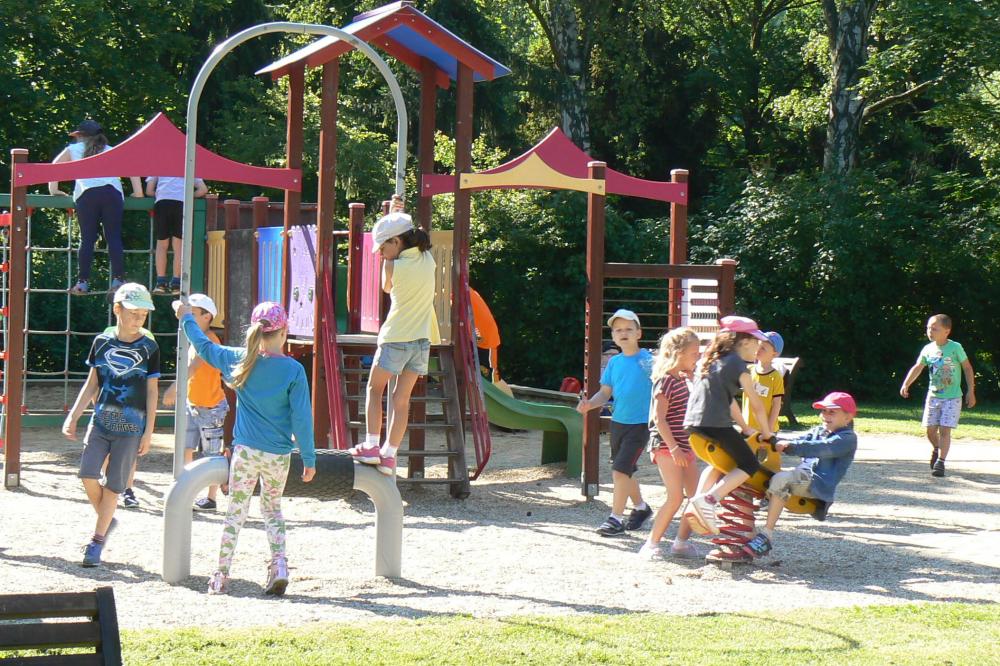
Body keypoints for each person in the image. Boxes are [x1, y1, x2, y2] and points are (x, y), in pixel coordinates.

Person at [177, 300, 316, 595]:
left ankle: (220, 575)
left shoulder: (239, 359)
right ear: (284, 332)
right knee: (272, 509)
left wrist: (187, 318)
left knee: (235, 512)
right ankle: (279, 565)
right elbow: (302, 417)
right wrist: (309, 457)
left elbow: (203, 346)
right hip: (278, 454)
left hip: (246, 452)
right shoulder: (293, 370)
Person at [61, 283, 159, 567]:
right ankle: (107, 518)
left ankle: (96, 542)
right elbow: (92, 382)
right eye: (133, 313)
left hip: (131, 428)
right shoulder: (102, 342)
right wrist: (74, 415)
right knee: (87, 474)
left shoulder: (149, 347)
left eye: (143, 314)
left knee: (115, 487)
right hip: (101, 422)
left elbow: (152, 390)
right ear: (117, 309)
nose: (138, 319)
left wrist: (149, 431)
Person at [349, 196, 440, 477]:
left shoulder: (392, 267)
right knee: (401, 400)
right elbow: (408, 232)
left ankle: (371, 445)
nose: (381, 252)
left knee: (374, 390)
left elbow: (387, 289)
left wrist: (395, 216)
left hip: (395, 337)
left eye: (383, 246)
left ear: (397, 241)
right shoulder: (428, 259)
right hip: (421, 341)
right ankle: (389, 455)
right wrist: (397, 213)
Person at [682, 315, 774, 536]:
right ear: (744, 341)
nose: (758, 348)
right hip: (715, 423)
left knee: (720, 463)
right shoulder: (738, 365)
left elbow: (730, 402)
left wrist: (746, 428)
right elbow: (757, 404)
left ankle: (698, 502)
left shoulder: (713, 360)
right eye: (756, 342)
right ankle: (709, 500)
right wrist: (767, 433)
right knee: (749, 464)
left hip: (693, 423)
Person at [743, 392, 858, 558]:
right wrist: (771, 439)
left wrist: (790, 446)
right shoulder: (819, 431)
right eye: (823, 411)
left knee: (781, 479)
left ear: (848, 417)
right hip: (802, 477)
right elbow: (798, 439)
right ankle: (750, 529)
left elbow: (819, 447)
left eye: (832, 412)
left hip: (817, 484)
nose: (825, 415)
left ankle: (766, 535)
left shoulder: (847, 439)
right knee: (753, 476)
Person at [577, 309, 654, 536]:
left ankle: (615, 519)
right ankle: (641, 508)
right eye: (618, 330)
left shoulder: (649, 361)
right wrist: (589, 404)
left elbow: (663, 386)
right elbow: (605, 393)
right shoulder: (614, 362)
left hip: (640, 425)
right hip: (618, 423)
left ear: (639, 333)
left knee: (620, 471)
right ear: (613, 336)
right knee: (625, 471)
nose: (623, 333)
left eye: (629, 329)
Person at [48, 120, 144, 295]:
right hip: (112, 194)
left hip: (87, 195)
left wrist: (54, 190)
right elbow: (132, 168)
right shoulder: (111, 150)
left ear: (80, 136)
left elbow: (55, 166)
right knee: (113, 237)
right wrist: (138, 193)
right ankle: (118, 280)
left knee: (87, 239)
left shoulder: (73, 149)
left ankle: (82, 283)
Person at [639, 327, 705, 559]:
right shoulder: (666, 380)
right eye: (694, 353)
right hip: (667, 446)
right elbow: (659, 418)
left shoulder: (682, 379)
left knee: (696, 497)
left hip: (685, 446)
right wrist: (675, 448)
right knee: (675, 497)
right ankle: (651, 544)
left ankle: (680, 543)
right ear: (679, 353)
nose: (698, 357)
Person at [164, 294, 228, 510]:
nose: (187, 318)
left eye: (192, 314)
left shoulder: (209, 341)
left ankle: (211, 498)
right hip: (192, 403)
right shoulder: (194, 340)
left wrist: (173, 388)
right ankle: (185, 492)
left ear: (207, 316)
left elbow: (193, 368)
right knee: (185, 447)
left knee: (211, 453)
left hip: (211, 407)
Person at [900, 314, 976, 477]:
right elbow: (918, 367)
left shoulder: (955, 347)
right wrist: (906, 383)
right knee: (930, 430)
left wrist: (971, 390)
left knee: (945, 430)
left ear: (947, 331)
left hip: (952, 397)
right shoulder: (928, 349)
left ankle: (941, 462)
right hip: (933, 396)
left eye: (934, 328)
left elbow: (967, 368)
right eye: (928, 328)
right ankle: (936, 448)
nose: (930, 331)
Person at [145, 176, 208, 294]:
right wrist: (188, 196)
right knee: (178, 245)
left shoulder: (158, 166)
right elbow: (203, 189)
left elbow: (149, 191)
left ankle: (160, 282)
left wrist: (160, 193)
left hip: (162, 203)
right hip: (181, 203)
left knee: (162, 244)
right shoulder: (189, 165)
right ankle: (176, 283)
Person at [732, 331, 785, 437]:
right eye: (758, 346)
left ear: (774, 354)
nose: (758, 349)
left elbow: (776, 405)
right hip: (748, 428)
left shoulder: (775, 377)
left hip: (766, 429)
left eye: (763, 348)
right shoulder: (749, 370)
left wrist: (769, 429)